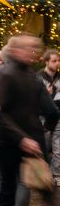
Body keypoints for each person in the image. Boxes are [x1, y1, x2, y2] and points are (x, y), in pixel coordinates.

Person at [0, 33, 58, 206]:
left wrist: (45, 128)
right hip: (9, 141)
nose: (34, 52)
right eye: (29, 48)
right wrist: (23, 137)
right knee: (8, 188)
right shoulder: (6, 74)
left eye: (36, 48)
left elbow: (51, 110)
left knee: (19, 185)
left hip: (24, 140)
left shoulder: (30, 76)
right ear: (16, 50)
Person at [38, 48, 60, 184]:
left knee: (58, 149)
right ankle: (43, 176)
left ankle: (56, 176)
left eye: (58, 61)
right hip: (43, 117)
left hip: (58, 116)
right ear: (46, 62)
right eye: (54, 61)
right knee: (43, 148)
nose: (57, 63)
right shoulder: (39, 77)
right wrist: (47, 94)